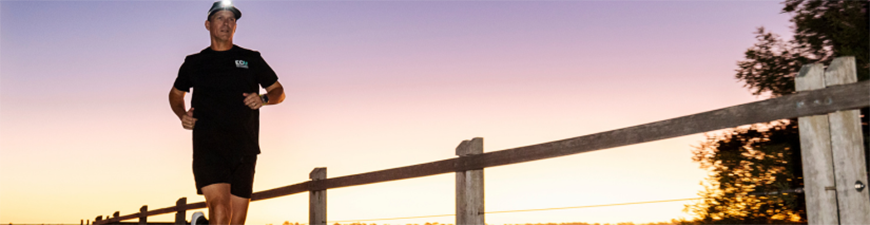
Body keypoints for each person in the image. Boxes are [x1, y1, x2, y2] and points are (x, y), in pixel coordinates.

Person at [168, 1, 285, 225]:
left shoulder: (251, 59)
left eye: (231, 19)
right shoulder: (194, 63)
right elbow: (175, 95)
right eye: (220, 18)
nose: (226, 23)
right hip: (209, 147)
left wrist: (263, 99)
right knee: (221, 211)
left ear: (235, 27)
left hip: (245, 148)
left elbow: (278, 92)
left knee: (236, 221)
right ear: (208, 24)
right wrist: (182, 114)